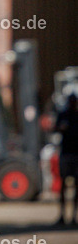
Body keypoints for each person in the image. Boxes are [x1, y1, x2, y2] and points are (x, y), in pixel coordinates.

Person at [54, 92, 78, 226]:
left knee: (76, 185)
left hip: (76, 154)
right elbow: (55, 129)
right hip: (66, 153)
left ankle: (74, 216)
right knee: (63, 184)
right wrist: (61, 128)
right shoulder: (63, 115)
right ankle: (62, 215)